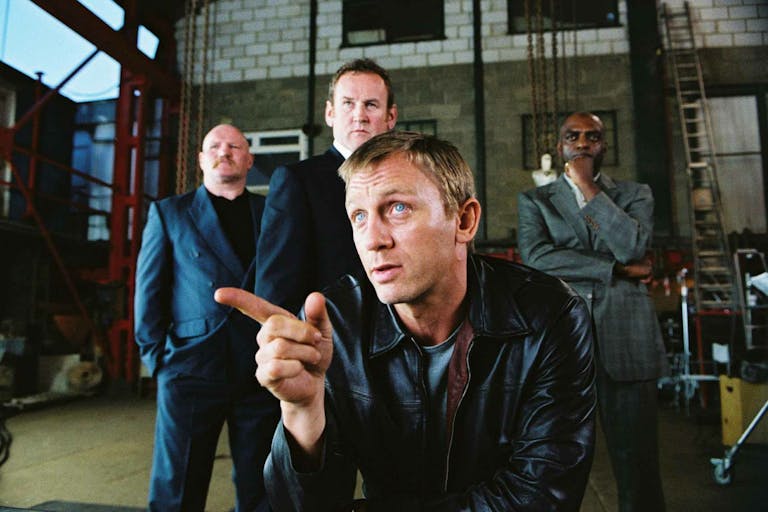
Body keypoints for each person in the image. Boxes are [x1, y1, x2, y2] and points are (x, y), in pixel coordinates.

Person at [216, 131, 596, 510]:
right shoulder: (336, 324)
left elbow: (541, 499)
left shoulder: (549, 316)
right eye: (359, 216)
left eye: (397, 208)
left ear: (464, 220)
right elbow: (305, 507)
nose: (372, 240)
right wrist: (302, 415)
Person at [517, 112, 669, 512]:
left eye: (593, 137)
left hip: (627, 340)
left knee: (637, 462)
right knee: (555, 461)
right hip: (562, 345)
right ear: (559, 146)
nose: (583, 144)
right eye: (573, 136)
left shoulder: (636, 195)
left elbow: (633, 246)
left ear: (604, 146)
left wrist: (587, 186)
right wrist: (616, 270)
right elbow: (537, 258)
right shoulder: (535, 201)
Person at [134, 124, 280, 511]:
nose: (224, 151)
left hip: (259, 368)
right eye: (214, 146)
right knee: (178, 486)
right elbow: (149, 291)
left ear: (249, 160)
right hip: (191, 368)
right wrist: (159, 359)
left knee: (262, 485)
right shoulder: (170, 213)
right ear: (201, 159)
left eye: (235, 146)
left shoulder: (272, 214)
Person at [255, 58, 397, 314]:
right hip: (330, 342)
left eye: (371, 105)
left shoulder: (405, 180)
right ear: (330, 113)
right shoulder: (297, 181)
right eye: (348, 104)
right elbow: (276, 290)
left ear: (391, 117)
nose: (359, 116)